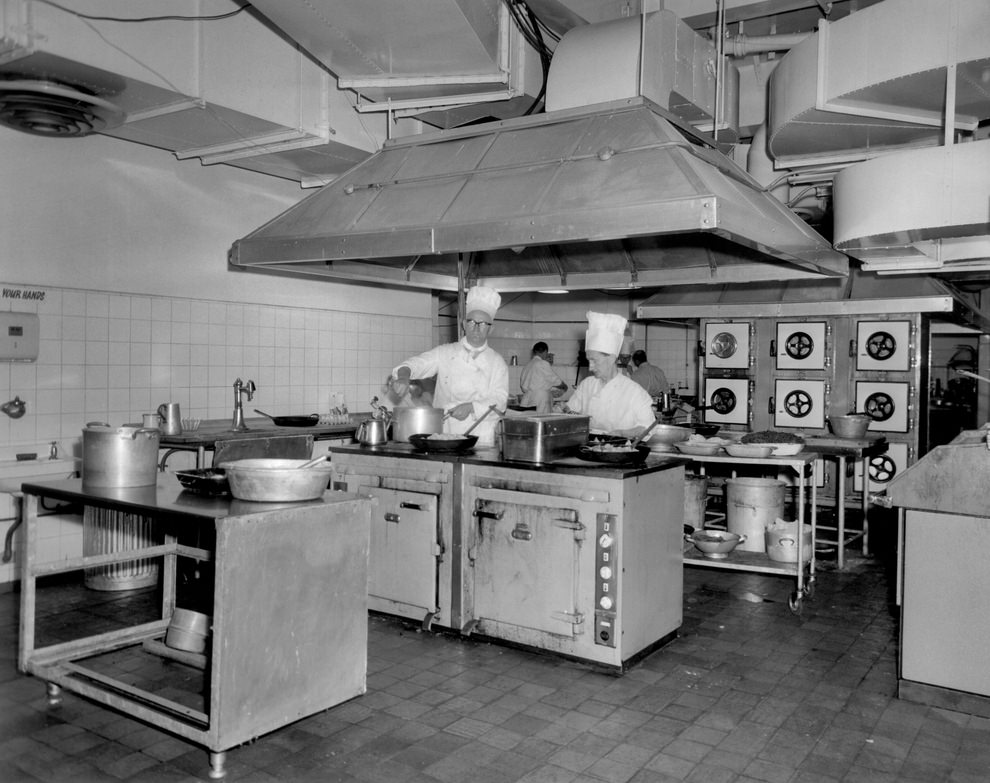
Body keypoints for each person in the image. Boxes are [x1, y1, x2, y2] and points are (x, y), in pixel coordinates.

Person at [389, 285, 508, 446]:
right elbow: (415, 364)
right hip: (445, 436)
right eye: (472, 322)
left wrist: (472, 407)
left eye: (483, 324)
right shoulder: (445, 352)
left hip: (481, 440)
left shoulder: (497, 362)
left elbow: (500, 401)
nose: (476, 328)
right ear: (464, 325)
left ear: (491, 329)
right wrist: (403, 377)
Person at [563, 312, 656, 438]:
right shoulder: (587, 385)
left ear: (612, 358)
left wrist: (623, 433)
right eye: (588, 361)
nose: (590, 367)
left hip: (620, 450)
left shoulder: (634, 391)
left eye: (594, 360)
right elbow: (570, 412)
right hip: (586, 448)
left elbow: (648, 427)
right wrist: (563, 411)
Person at [519, 342, 568, 414]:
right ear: (545, 351)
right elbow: (554, 379)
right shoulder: (542, 363)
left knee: (530, 422)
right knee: (542, 422)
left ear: (534, 352)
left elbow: (535, 382)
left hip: (527, 399)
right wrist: (564, 386)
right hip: (540, 400)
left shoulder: (528, 365)